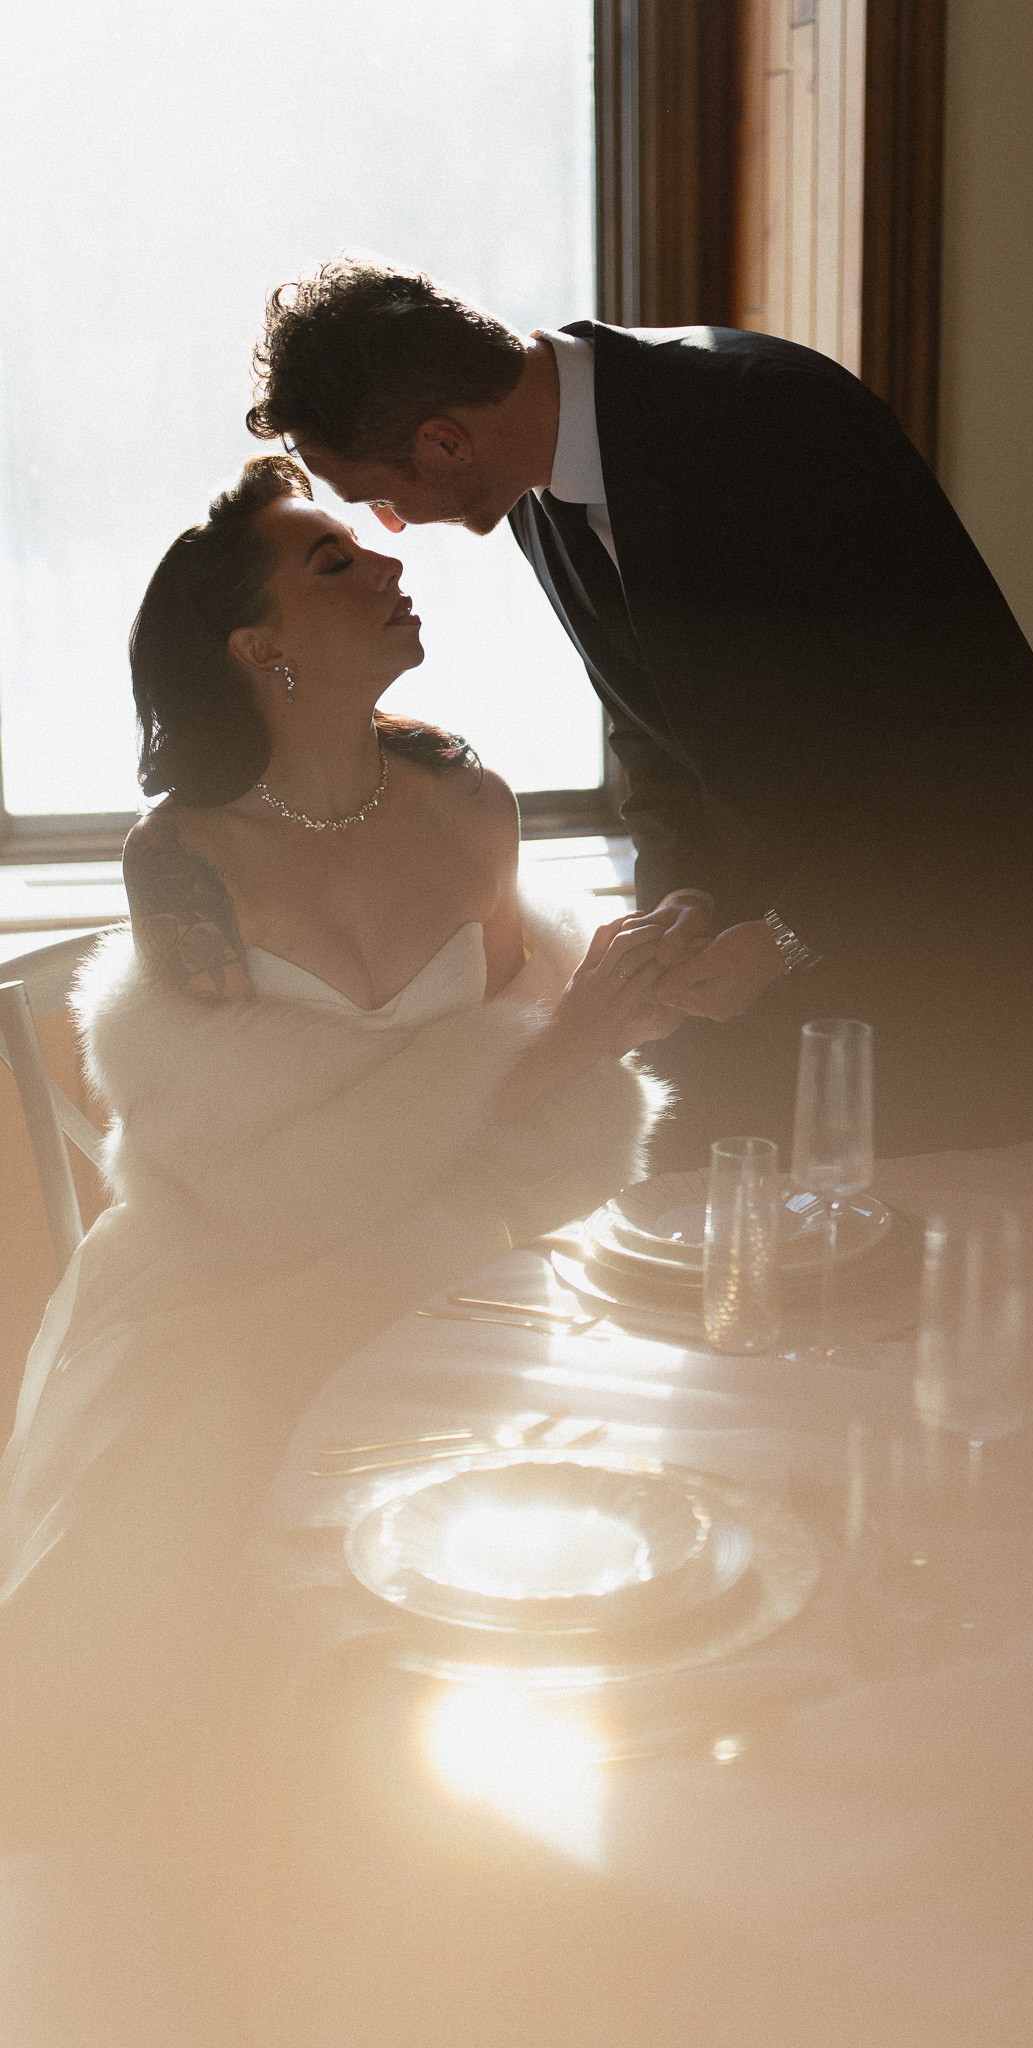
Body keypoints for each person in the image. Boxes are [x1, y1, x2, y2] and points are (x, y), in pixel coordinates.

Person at [0, 455, 668, 2024]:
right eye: (331, 566)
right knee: (220, 1464)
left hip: (456, 1239)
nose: (386, 569)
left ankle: (521, 1888)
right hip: (230, 1264)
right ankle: (248, 1897)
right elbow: (239, 1178)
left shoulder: (474, 803)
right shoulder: (187, 862)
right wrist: (554, 1050)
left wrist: (598, 1033)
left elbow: (524, 1106)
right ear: (259, 646)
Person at [244, 257, 1033, 1168]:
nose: (393, 527)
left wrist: (792, 935)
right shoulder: (534, 500)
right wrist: (686, 902)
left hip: (979, 929)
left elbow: (966, 725)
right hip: (794, 943)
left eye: (378, 498)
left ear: (446, 443)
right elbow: (651, 736)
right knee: (696, 1221)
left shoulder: (772, 415)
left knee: (898, 1257)